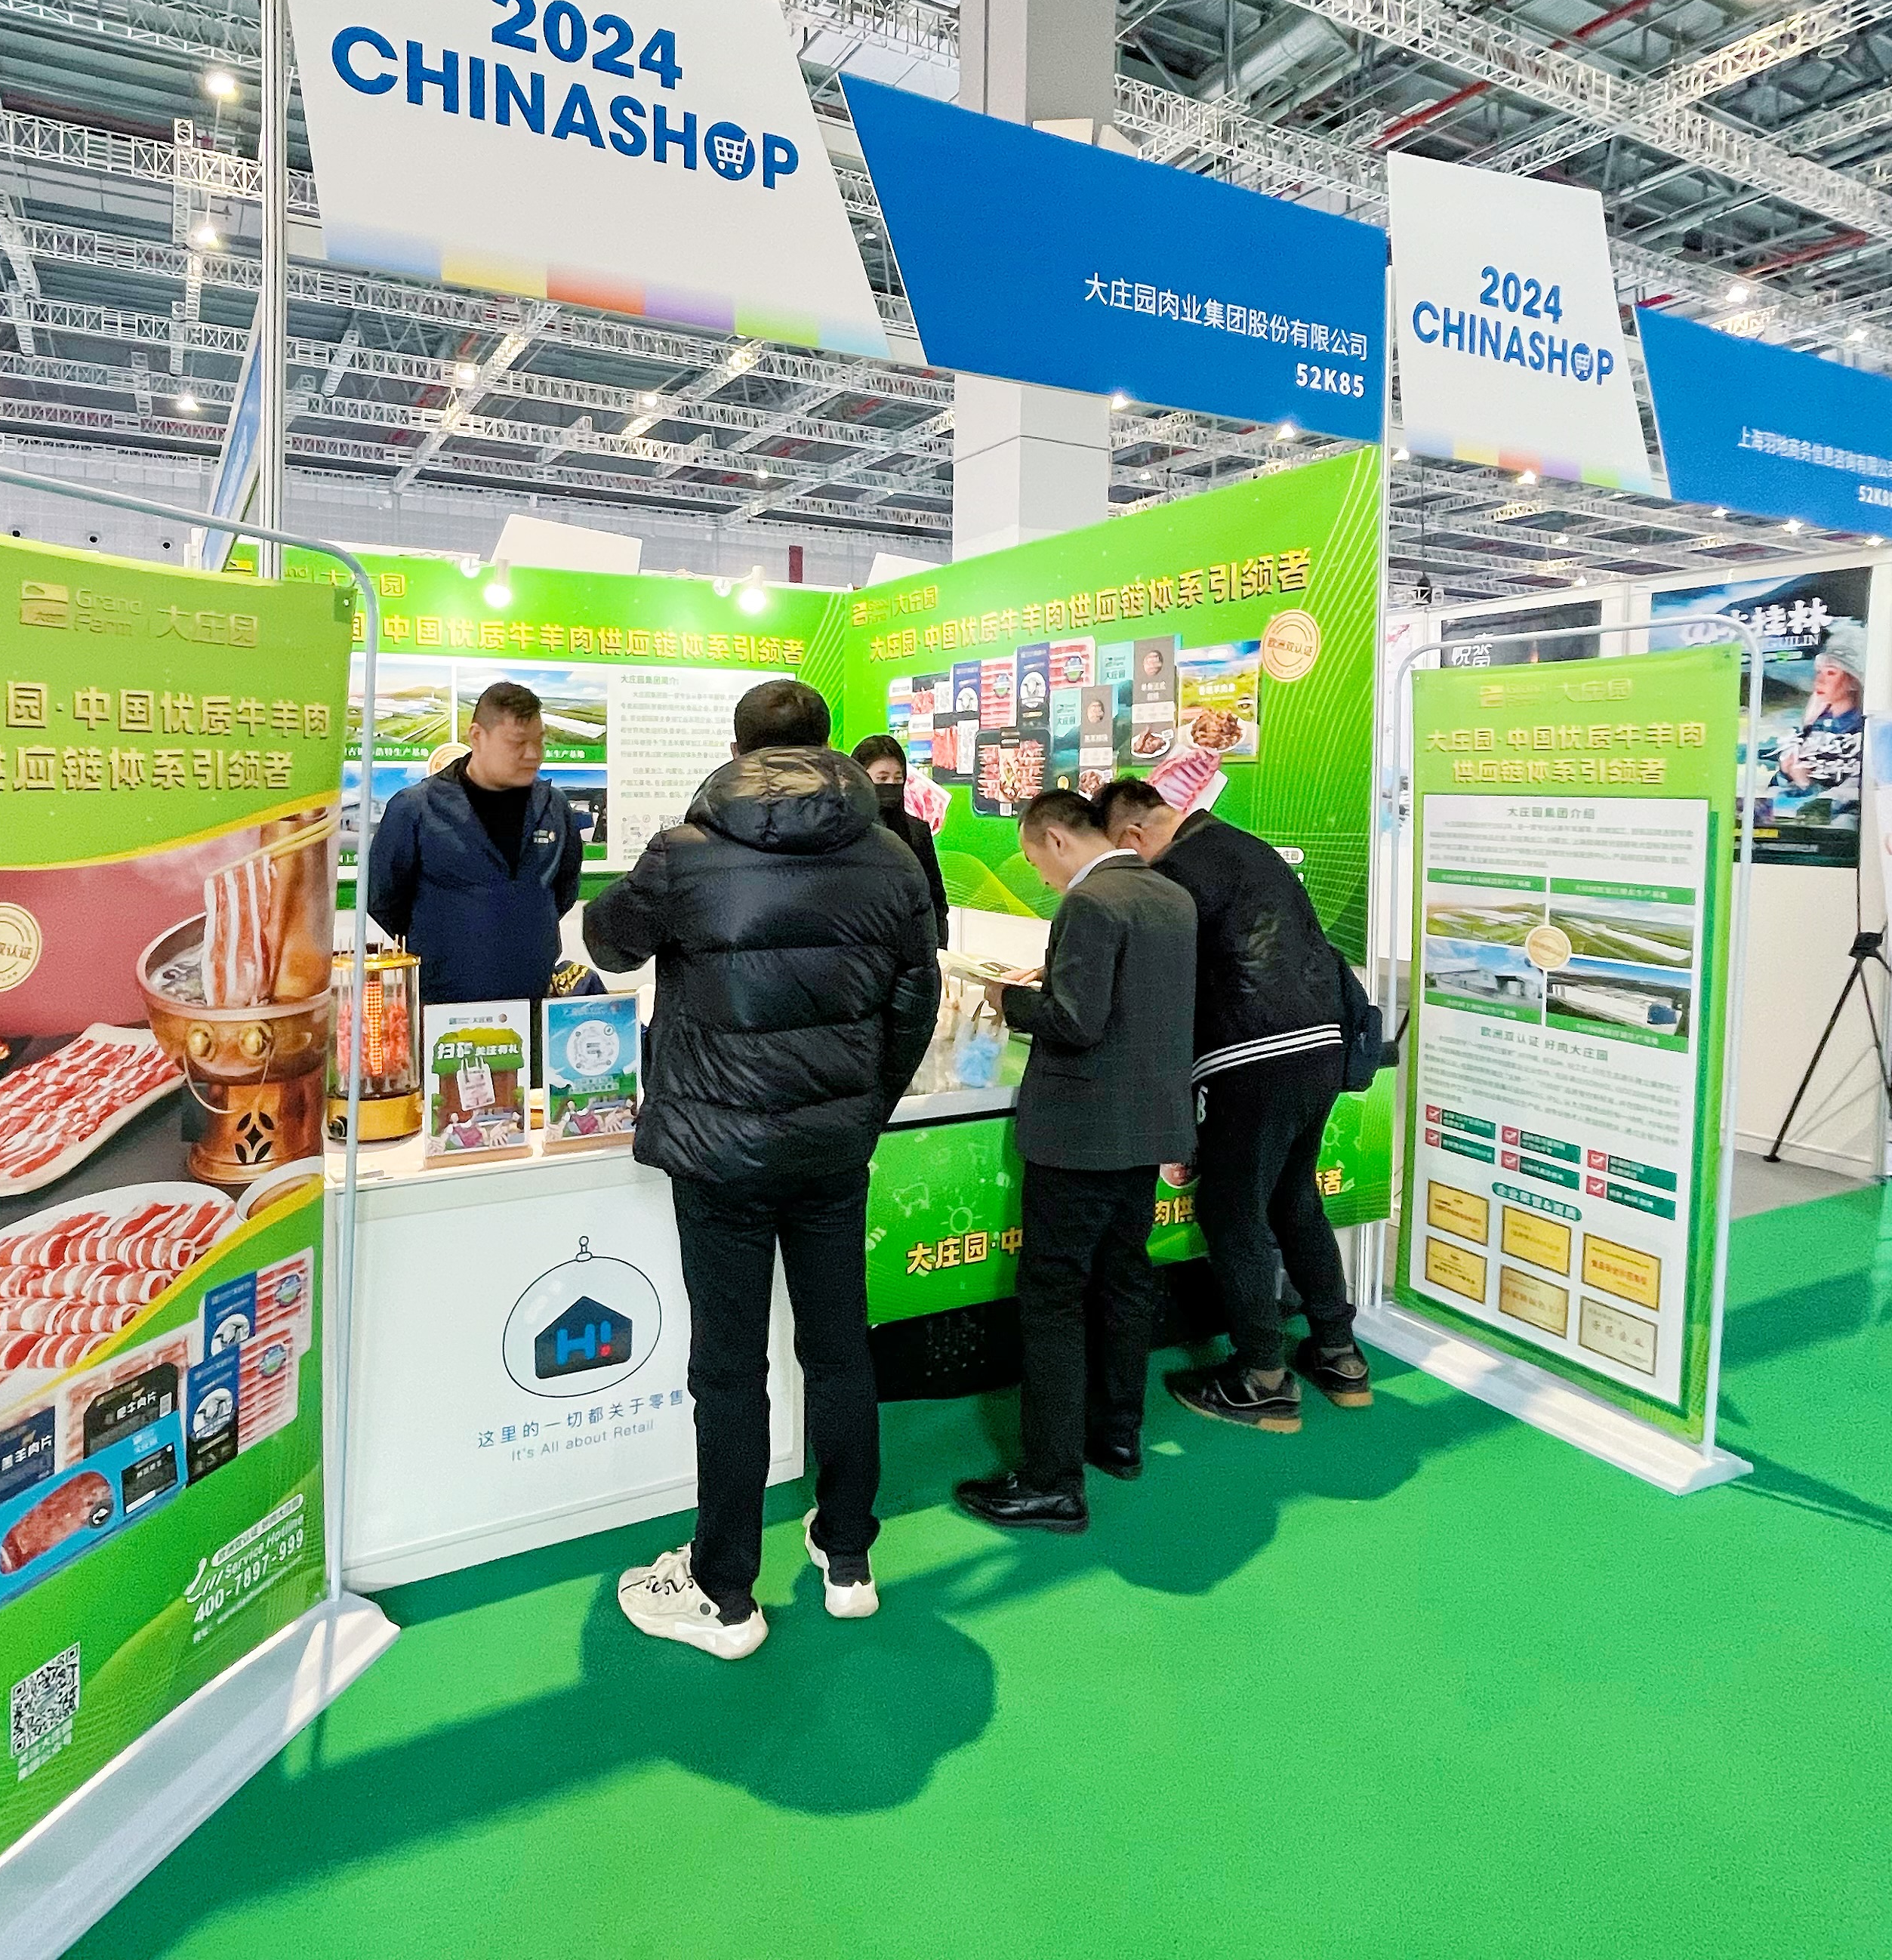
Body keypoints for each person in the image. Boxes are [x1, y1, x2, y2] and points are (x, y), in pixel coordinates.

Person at [584, 680, 939, 1658]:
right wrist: (863, 1110)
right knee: (840, 1350)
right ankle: (848, 1556)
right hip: (832, 1152)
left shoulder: (688, 853)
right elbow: (916, 1001)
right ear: (827, 746)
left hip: (720, 1156)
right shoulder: (890, 857)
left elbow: (608, 941)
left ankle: (725, 1592)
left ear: (739, 750)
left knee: (729, 1370)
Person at [954, 790, 1196, 1535]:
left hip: (1080, 1134)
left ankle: (1052, 1482)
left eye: (1038, 865)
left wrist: (1008, 999)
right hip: (1146, 1129)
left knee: (1054, 1298)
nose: (1044, 880)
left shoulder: (1089, 904)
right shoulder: (1170, 895)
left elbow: (1076, 1022)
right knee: (1124, 1281)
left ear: (1057, 840)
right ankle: (1117, 1435)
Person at [1096, 775, 1367, 1431]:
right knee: (1294, 1198)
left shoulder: (1177, 873)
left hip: (1252, 1055)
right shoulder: (1244, 846)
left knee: (1232, 1211)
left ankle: (1262, 1377)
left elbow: (1154, 981)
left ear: (1131, 834)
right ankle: (1339, 1354)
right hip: (1322, 1045)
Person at [365, 680, 583, 1012]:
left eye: (539, 742)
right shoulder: (417, 808)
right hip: (446, 1003)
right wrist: (442, 943)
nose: (533, 755)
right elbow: (383, 898)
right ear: (477, 736)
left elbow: (563, 890)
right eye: (517, 743)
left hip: (533, 997)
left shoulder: (553, 807)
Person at [850, 732, 951, 947]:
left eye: (898, 778)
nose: (891, 785)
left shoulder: (917, 831)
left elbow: (936, 899)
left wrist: (938, 947)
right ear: (859, 779)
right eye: (882, 778)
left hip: (910, 946)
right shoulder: (845, 832)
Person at [1773, 621, 1867, 811]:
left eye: (1831, 673)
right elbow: (1774, 792)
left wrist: (1805, 783)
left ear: (1853, 682)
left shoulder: (1861, 732)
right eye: (1819, 672)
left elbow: (1847, 804)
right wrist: (1785, 773)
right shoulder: (1811, 727)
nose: (1819, 680)